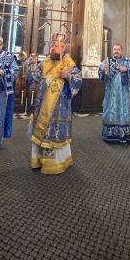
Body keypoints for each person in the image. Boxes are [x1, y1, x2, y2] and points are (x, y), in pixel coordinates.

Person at [30, 33, 82, 175]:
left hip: (59, 108)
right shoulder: (45, 62)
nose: (56, 48)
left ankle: (56, 163)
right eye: (54, 45)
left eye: (60, 46)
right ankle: (38, 160)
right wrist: (32, 63)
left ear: (64, 48)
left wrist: (68, 76)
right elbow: (35, 77)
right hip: (42, 105)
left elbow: (78, 81)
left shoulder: (69, 64)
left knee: (54, 135)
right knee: (41, 132)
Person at [98, 43, 130, 144]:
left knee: (124, 111)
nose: (116, 51)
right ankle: (110, 135)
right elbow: (101, 76)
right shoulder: (107, 61)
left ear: (121, 51)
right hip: (111, 93)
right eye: (114, 49)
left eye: (118, 49)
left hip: (123, 93)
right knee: (110, 111)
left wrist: (127, 69)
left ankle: (123, 135)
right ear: (112, 51)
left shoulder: (127, 61)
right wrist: (103, 70)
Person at [24, 52, 40, 120]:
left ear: (37, 57)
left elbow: (39, 75)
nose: (33, 57)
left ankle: (36, 113)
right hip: (29, 83)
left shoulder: (39, 65)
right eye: (31, 56)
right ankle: (29, 112)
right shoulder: (28, 64)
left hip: (37, 83)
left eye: (34, 56)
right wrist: (29, 60)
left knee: (36, 99)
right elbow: (24, 65)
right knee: (29, 98)